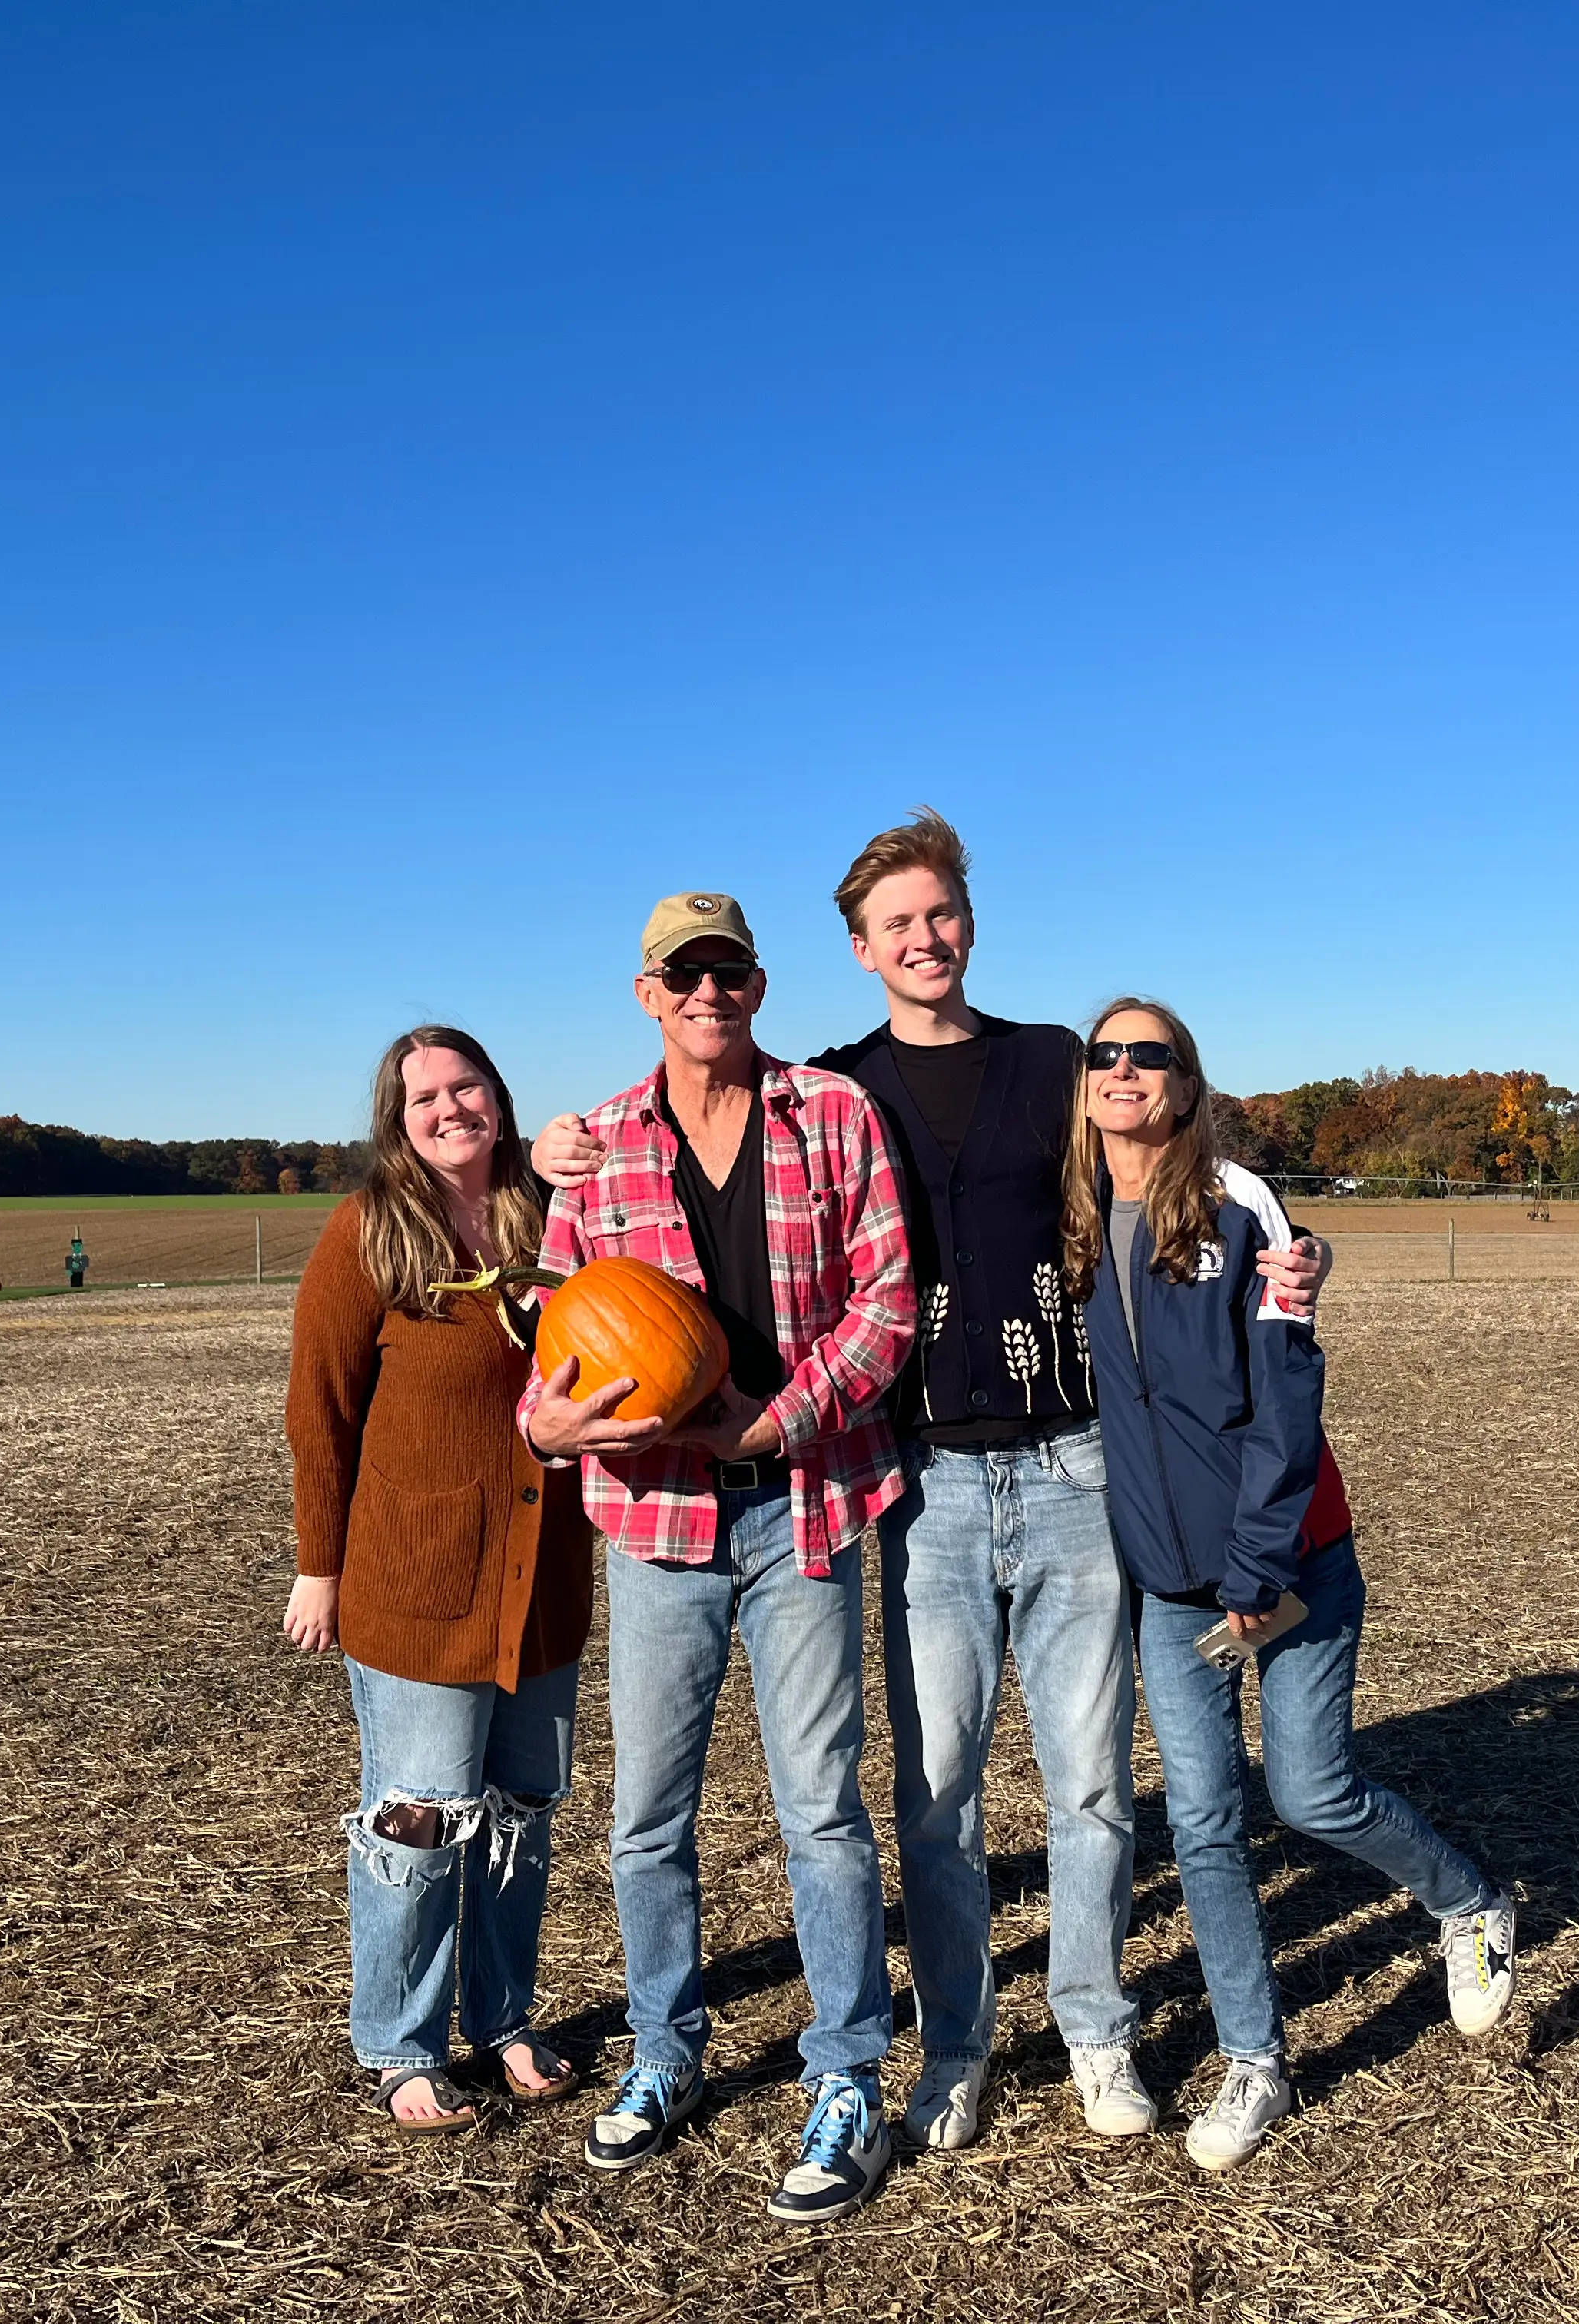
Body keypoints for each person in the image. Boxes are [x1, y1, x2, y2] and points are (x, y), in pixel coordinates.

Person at [536, 812, 1333, 2153]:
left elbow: (1178, 1151)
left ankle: (1092, 2027)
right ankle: (954, 2043)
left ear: (969, 923)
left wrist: (1294, 1253)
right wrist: (542, 1150)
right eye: (894, 923)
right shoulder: (843, 1089)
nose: (923, 938)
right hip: (928, 1485)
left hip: (1077, 1468)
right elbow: (592, 1285)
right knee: (937, 1790)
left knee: (1086, 1786)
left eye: (939, 914)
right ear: (856, 951)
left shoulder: (1050, 1067)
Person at [519, 889, 915, 2226]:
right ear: (648, 993)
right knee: (647, 1817)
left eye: (728, 970)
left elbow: (887, 1302)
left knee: (822, 1812)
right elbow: (557, 1333)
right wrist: (551, 1421)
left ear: (758, 983)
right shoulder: (598, 1151)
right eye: (682, 974)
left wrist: (782, 1415)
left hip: (804, 1505)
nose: (707, 993)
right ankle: (665, 2051)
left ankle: (850, 2068)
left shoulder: (834, 1115)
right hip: (656, 1526)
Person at [1068, 996, 1518, 2170]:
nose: (1123, 1070)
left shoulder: (1241, 1203)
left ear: (1185, 1079)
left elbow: (1287, 1399)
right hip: (1169, 1585)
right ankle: (1253, 2059)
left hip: (1290, 1555)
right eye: (1103, 1055)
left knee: (1311, 1796)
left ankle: (1467, 1902)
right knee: (1206, 1824)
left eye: (1147, 1054)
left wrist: (1259, 1563)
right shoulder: (1067, 1214)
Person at [285, 1026, 597, 2135]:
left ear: (499, 1096)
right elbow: (317, 1413)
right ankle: (403, 2045)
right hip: (415, 1576)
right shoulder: (370, 1230)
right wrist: (320, 1567)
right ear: (396, 1118)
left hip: (544, 1570)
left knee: (520, 1817)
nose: (450, 1107)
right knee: (419, 1819)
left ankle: (504, 2019)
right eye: (425, 1096)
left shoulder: (550, 1211)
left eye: (467, 1085)